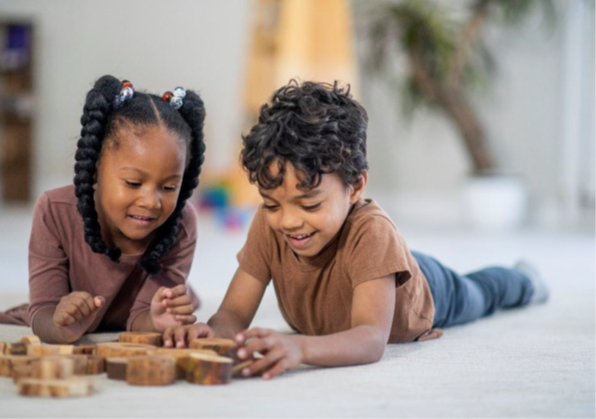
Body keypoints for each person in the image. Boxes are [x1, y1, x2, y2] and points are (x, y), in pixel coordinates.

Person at [164, 80, 549, 379]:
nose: (288, 220)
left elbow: (369, 339)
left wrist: (300, 349)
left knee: (482, 292)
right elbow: (233, 312)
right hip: (360, 286)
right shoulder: (270, 225)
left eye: (310, 204)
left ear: (356, 187)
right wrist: (212, 333)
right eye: (272, 203)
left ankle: (522, 280)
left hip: (425, 291)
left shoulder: (371, 232)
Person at [0, 75, 207, 344]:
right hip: (69, 313)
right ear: (96, 168)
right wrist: (61, 324)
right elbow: (43, 311)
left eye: (169, 188)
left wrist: (157, 319)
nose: (151, 202)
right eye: (133, 183)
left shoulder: (181, 221)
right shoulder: (54, 210)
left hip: (137, 308)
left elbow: (141, 317)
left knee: (179, 299)